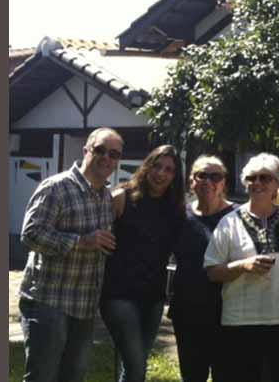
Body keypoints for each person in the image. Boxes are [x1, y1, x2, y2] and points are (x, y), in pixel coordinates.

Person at [18, 127, 123, 382]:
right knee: (43, 375)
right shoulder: (56, 187)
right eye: (100, 150)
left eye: (114, 153)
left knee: (73, 376)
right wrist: (81, 241)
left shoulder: (107, 197)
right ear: (86, 150)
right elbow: (31, 234)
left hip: (84, 305)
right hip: (48, 300)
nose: (106, 158)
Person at [204, 153, 279, 382]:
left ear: (277, 184)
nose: (258, 183)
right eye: (252, 178)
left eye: (265, 178)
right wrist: (243, 265)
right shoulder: (229, 222)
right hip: (241, 322)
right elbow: (212, 271)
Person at [99, 144, 186, 382]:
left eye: (169, 170)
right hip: (118, 294)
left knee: (136, 365)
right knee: (137, 365)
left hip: (153, 297)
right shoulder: (121, 198)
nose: (161, 173)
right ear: (147, 167)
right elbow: (98, 238)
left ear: (175, 176)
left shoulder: (175, 209)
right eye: (157, 166)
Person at [168, 155, 234, 382]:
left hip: (227, 311)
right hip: (187, 311)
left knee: (225, 374)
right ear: (191, 181)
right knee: (192, 375)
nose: (208, 181)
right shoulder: (179, 216)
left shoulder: (237, 217)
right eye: (201, 175)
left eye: (215, 176)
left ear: (224, 183)